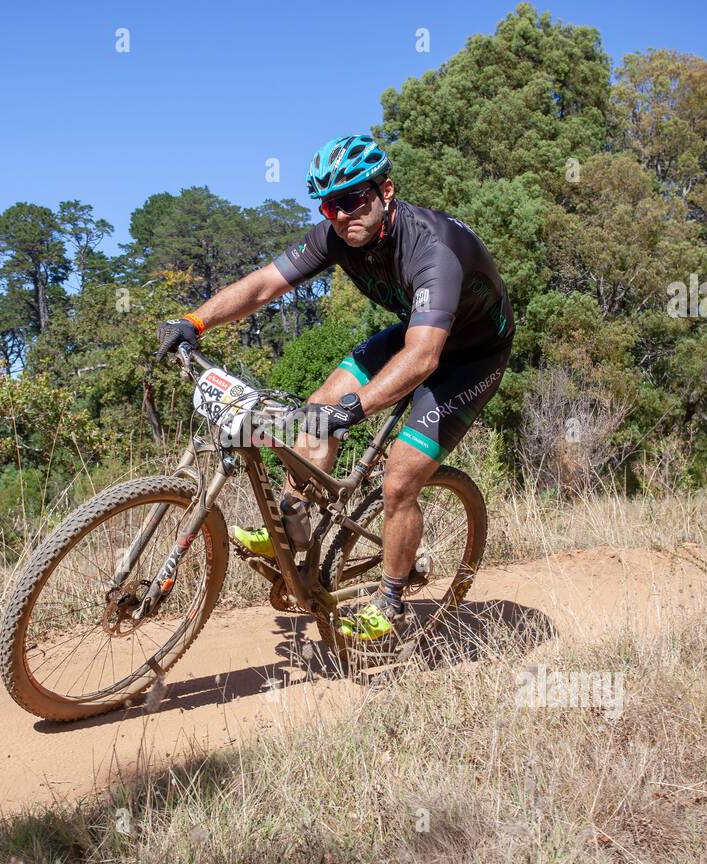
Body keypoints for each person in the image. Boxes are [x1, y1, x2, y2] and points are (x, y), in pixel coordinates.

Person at [156, 133, 514, 643]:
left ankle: (391, 599)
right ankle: (293, 523)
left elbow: (424, 358)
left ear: (384, 190)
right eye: (330, 206)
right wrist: (195, 321)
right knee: (316, 411)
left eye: (353, 199)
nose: (342, 215)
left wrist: (357, 408)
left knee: (400, 477)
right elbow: (264, 284)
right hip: (416, 331)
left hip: (470, 355)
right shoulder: (336, 235)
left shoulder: (432, 249)